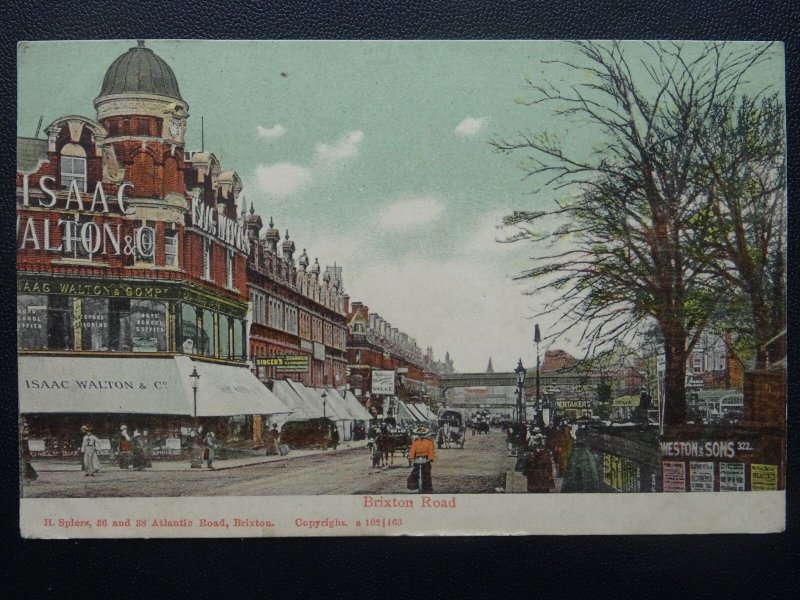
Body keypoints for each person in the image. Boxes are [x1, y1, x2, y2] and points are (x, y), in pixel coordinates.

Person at [407, 426, 435, 493]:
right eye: (419, 434)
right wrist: (411, 457)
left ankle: (427, 488)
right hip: (417, 459)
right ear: (418, 435)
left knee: (427, 473)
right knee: (414, 472)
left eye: (422, 434)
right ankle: (414, 485)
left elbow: (431, 450)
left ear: (424, 435)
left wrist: (430, 458)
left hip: (426, 459)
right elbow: (412, 450)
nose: (420, 436)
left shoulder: (429, 442)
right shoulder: (415, 442)